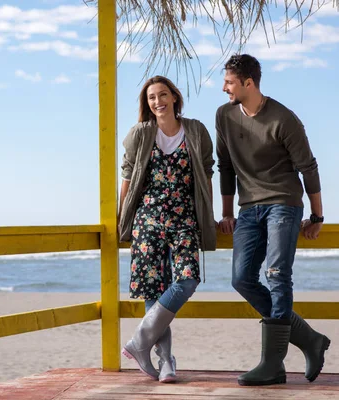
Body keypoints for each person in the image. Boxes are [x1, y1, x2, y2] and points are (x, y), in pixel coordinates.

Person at [216, 54, 331, 386]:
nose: (224, 88)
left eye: (230, 82)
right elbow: (225, 166)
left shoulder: (284, 119)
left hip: (283, 203)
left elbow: (308, 167)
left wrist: (317, 216)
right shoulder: (224, 115)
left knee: (277, 274)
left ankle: (272, 364)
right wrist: (226, 212)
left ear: (248, 83)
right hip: (248, 208)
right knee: (242, 279)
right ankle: (309, 338)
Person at [118, 75, 217, 383]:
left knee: (188, 280)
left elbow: (206, 175)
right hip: (147, 218)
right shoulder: (140, 133)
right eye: (151, 98)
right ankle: (166, 362)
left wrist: (209, 215)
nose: (157, 101)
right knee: (153, 289)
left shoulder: (196, 131)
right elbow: (127, 176)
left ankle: (140, 341)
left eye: (163, 95)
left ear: (174, 97)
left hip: (185, 217)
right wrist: (121, 217)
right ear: (147, 104)